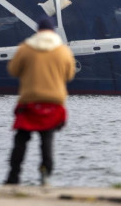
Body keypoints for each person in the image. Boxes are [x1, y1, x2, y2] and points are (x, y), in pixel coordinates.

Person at [5, 17, 76, 186]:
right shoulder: (63, 51)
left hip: (30, 101)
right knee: (47, 140)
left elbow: (13, 70)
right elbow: (70, 75)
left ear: (38, 31)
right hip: (54, 102)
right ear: (53, 31)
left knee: (21, 140)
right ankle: (45, 173)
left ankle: (14, 176)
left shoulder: (25, 49)